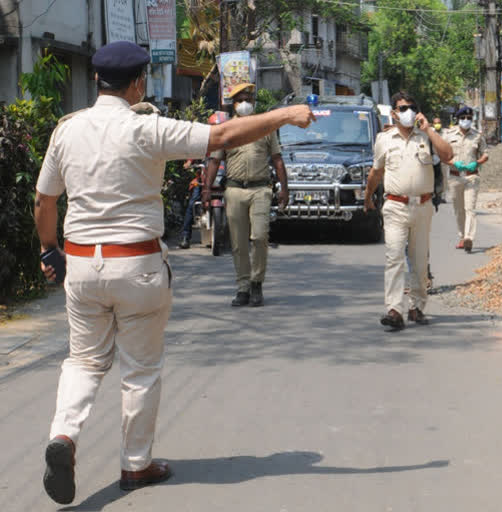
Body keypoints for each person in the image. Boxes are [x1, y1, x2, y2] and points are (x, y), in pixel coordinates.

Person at [34, 41, 314, 504]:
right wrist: (284, 116)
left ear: (95, 82)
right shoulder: (149, 129)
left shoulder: (67, 132)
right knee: (139, 369)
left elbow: (45, 201)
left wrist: (49, 252)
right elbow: (222, 138)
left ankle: (63, 437)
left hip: (81, 262)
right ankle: (136, 465)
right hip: (137, 264)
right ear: (139, 83)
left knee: (83, 361)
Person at [364, 91, 453, 330]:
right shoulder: (385, 139)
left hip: (423, 206)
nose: (408, 112)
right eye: (402, 108)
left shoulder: (426, 137)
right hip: (395, 205)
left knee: (420, 261)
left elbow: (448, 155)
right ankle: (394, 310)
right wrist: (367, 196)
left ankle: (416, 307)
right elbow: (376, 172)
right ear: (393, 113)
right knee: (394, 257)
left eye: (411, 107)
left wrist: (430, 130)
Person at [204, 83, 289, 307]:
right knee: (238, 243)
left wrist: (285, 189)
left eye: (249, 100)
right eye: (241, 100)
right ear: (233, 104)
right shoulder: (226, 129)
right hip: (233, 190)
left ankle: (256, 282)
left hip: (260, 189)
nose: (245, 104)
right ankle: (243, 287)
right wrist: (206, 189)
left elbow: (277, 159)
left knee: (259, 237)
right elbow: (214, 160)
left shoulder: (265, 127)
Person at [442, 106, 488, 253]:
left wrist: (478, 162)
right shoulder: (448, 135)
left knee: (470, 209)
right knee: (459, 210)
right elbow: (442, 156)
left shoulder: (478, 135)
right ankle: (462, 236)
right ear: (458, 119)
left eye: (469, 118)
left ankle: (469, 237)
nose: (466, 121)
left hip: (471, 176)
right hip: (455, 177)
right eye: (463, 118)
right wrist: (453, 163)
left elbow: (485, 154)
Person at [179, 159, 204, 249]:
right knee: (191, 205)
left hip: (218, 179)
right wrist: (189, 162)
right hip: (201, 180)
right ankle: (185, 237)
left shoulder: (221, 148)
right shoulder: (202, 147)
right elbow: (194, 152)